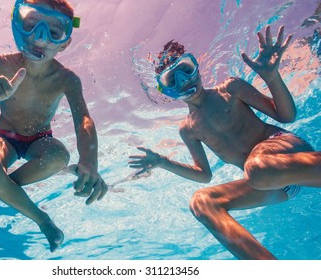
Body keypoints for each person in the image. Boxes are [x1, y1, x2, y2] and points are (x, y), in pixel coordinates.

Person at [129, 25, 321, 259]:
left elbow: (286, 116)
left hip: (288, 151)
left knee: (256, 167)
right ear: (166, 91)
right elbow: (203, 175)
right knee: (202, 202)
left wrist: (271, 77)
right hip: (273, 184)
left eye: (186, 70)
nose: (183, 81)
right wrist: (162, 162)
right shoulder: (188, 130)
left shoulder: (230, 88)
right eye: (172, 80)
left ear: (197, 69)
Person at [0, 0, 107, 253]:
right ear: (17, 26)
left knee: (60, 156)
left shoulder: (67, 79)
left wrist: (89, 159)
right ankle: (42, 219)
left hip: (40, 139)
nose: (40, 38)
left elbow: (83, 120)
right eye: (32, 25)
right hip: (4, 137)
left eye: (54, 32)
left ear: (65, 42)